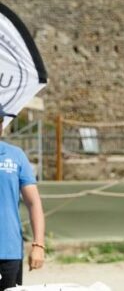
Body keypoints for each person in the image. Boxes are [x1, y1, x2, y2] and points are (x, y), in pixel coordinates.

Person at [0, 107, 45, 291]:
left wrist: (38, 244)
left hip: (8, 251)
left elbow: (34, 203)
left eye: (0, 121)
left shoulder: (15, 155)